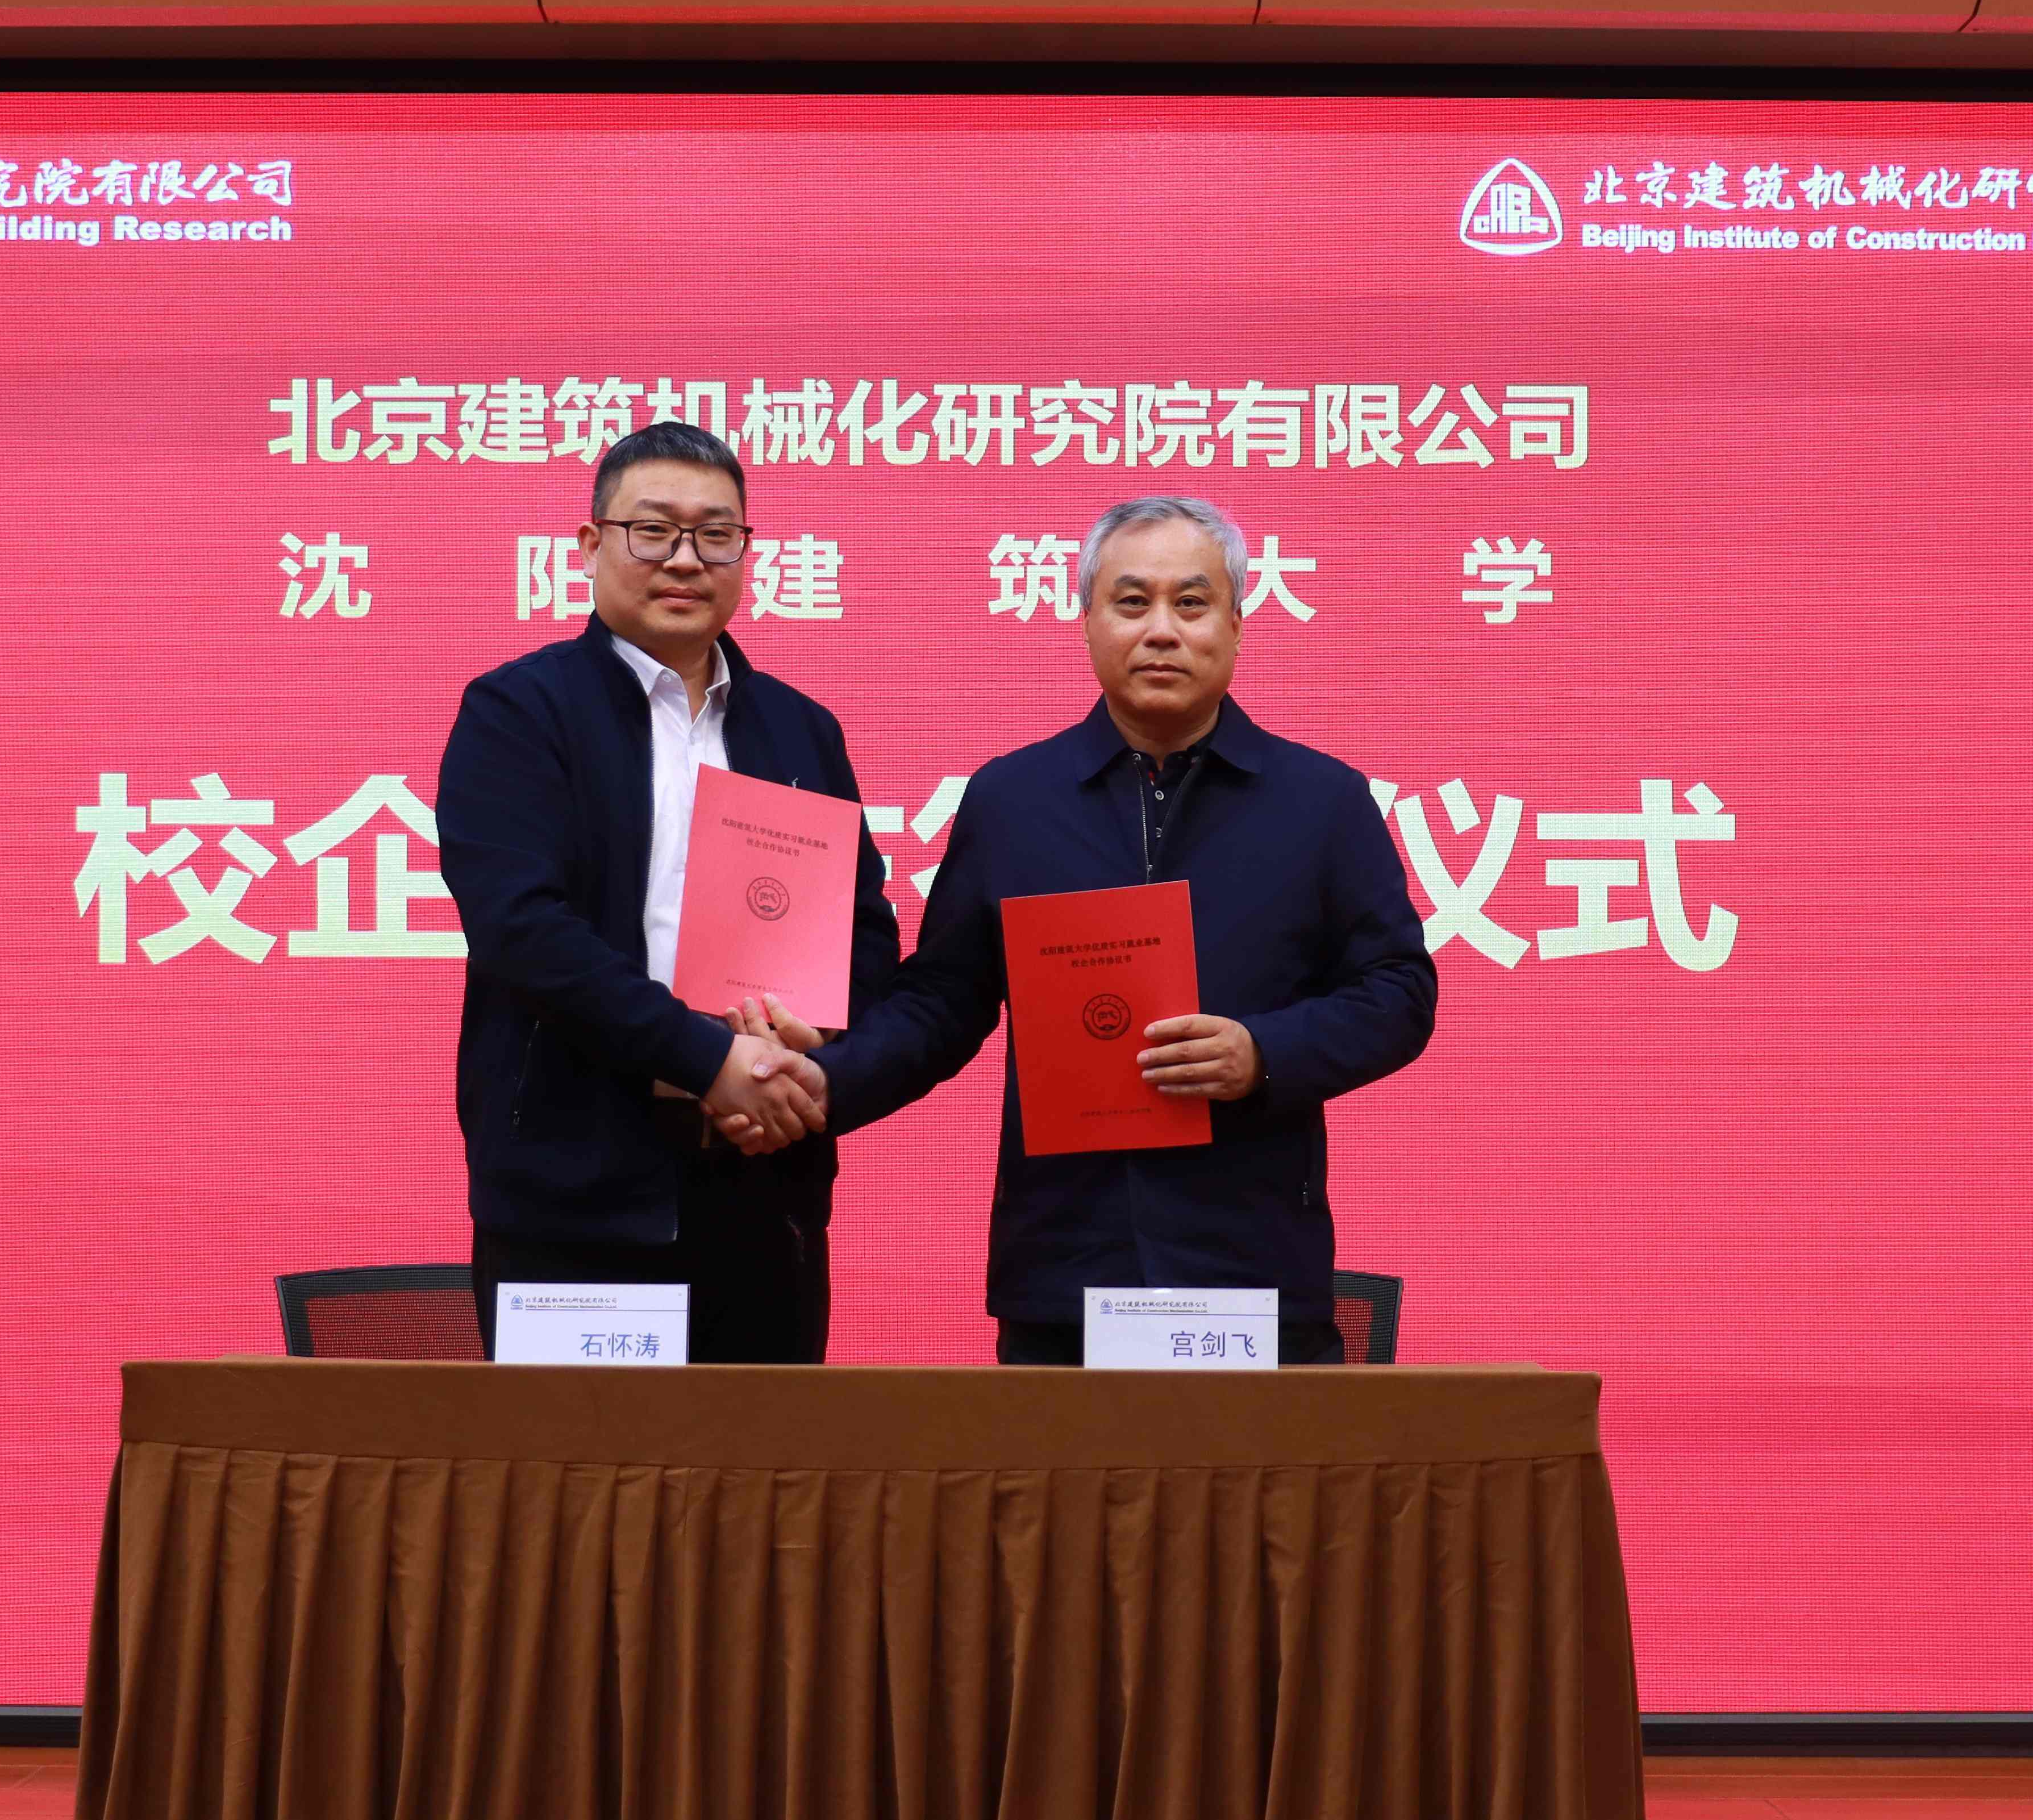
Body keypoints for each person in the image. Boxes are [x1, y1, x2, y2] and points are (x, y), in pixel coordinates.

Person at [769, 493, 1434, 1364]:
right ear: (1086, 623)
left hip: (1251, 1269)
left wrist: (1262, 1054)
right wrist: (822, 1085)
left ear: (1237, 625)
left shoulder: (1322, 802)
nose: (1161, 630)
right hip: (1065, 1271)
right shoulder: (1014, 799)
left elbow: (1398, 992)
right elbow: (942, 1001)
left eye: (1191, 603)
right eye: (1131, 602)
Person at [435, 422, 900, 1363]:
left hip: (763, 1179)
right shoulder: (519, 711)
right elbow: (525, 933)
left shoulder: (800, 731)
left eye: (716, 534)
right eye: (654, 530)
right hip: (573, 1193)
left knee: (760, 1457)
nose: (686, 559)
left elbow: (864, 936)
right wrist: (707, 1056)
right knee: (574, 1459)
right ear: (590, 544)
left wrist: (803, 1050)